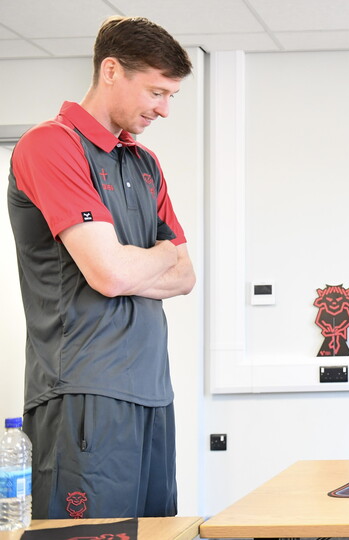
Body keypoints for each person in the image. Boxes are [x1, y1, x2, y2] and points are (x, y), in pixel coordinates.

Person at [7, 16, 195, 519]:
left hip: (153, 391)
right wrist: (159, 254)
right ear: (111, 70)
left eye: (171, 95)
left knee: (158, 532)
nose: (165, 109)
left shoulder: (145, 162)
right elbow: (109, 273)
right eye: (156, 92)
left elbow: (186, 276)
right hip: (84, 391)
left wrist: (135, 264)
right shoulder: (51, 145)